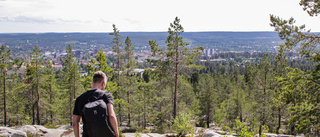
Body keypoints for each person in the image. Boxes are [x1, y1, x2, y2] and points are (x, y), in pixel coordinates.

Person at [73, 71, 119, 137]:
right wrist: (116, 134)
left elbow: (75, 123)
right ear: (103, 83)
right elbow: (111, 115)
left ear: (93, 82)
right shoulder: (106, 95)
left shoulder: (80, 99)